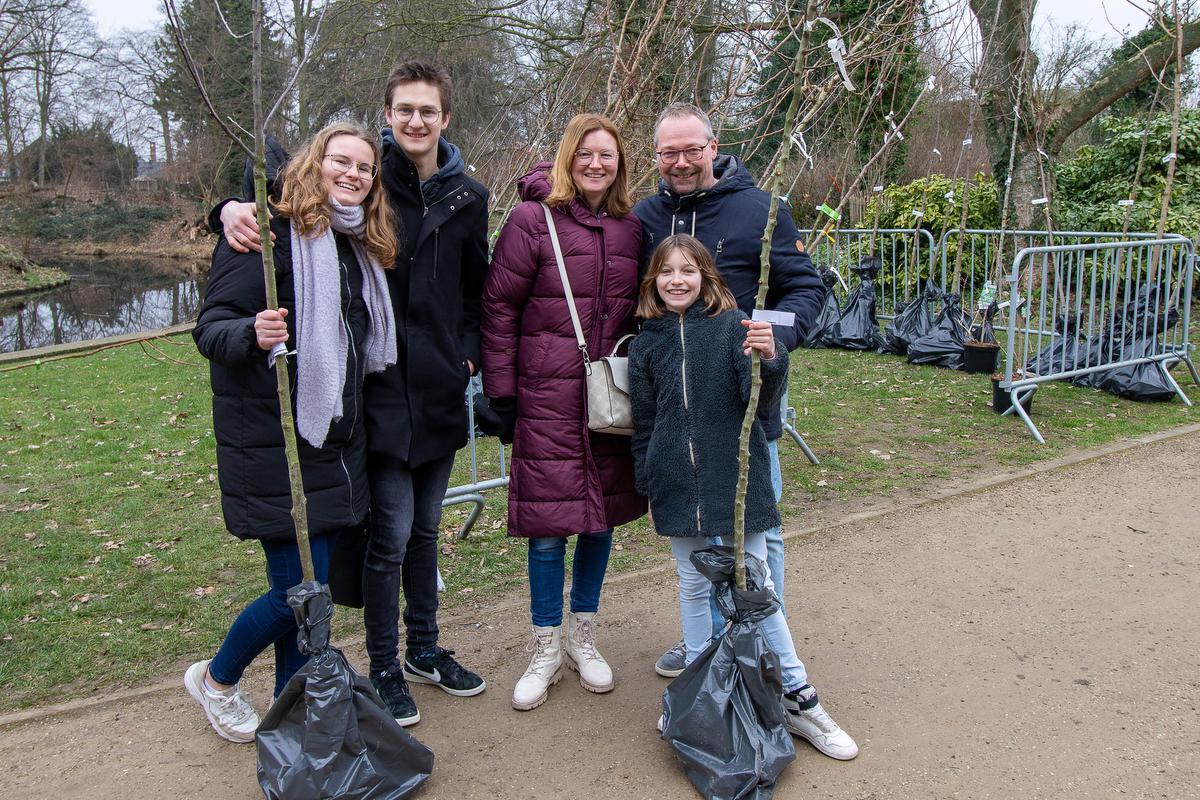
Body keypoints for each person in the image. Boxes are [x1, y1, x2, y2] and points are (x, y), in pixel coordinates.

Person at [217, 61, 489, 727]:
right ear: (388, 116)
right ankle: (385, 664)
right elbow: (280, 188)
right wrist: (223, 209)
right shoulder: (369, 187)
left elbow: (475, 291)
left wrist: (469, 355)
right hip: (373, 397)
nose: (417, 121)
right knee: (388, 538)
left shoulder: (469, 196)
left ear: (445, 118)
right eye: (405, 110)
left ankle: (424, 648)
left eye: (429, 110)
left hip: (438, 392)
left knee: (427, 531)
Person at [634, 103, 857, 760]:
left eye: (689, 149)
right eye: (667, 152)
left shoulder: (759, 209)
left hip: (742, 398)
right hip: (676, 417)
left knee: (759, 539)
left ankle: (765, 647)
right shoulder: (648, 218)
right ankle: (711, 673)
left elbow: (804, 290)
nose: (678, 162)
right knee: (694, 566)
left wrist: (767, 338)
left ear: (713, 146)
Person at [186, 122, 399, 743]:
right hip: (275, 442)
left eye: (364, 167)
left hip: (335, 444)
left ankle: (289, 705)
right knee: (297, 595)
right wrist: (250, 333)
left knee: (314, 592)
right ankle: (218, 680)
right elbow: (211, 327)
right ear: (315, 163)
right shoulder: (265, 233)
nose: (354, 174)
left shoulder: (356, 244)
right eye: (342, 161)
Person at [481, 113, 646, 711]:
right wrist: (500, 393)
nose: (596, 164)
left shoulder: (633, 228)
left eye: (607, 155)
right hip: (546, 398)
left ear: (620, 164)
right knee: (550, 528)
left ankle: (584, 635)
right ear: (566, 159)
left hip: (609, 398)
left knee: (599, 519)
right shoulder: (532, 220)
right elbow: (499, 307)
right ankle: (545, 643)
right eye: (585, 154)